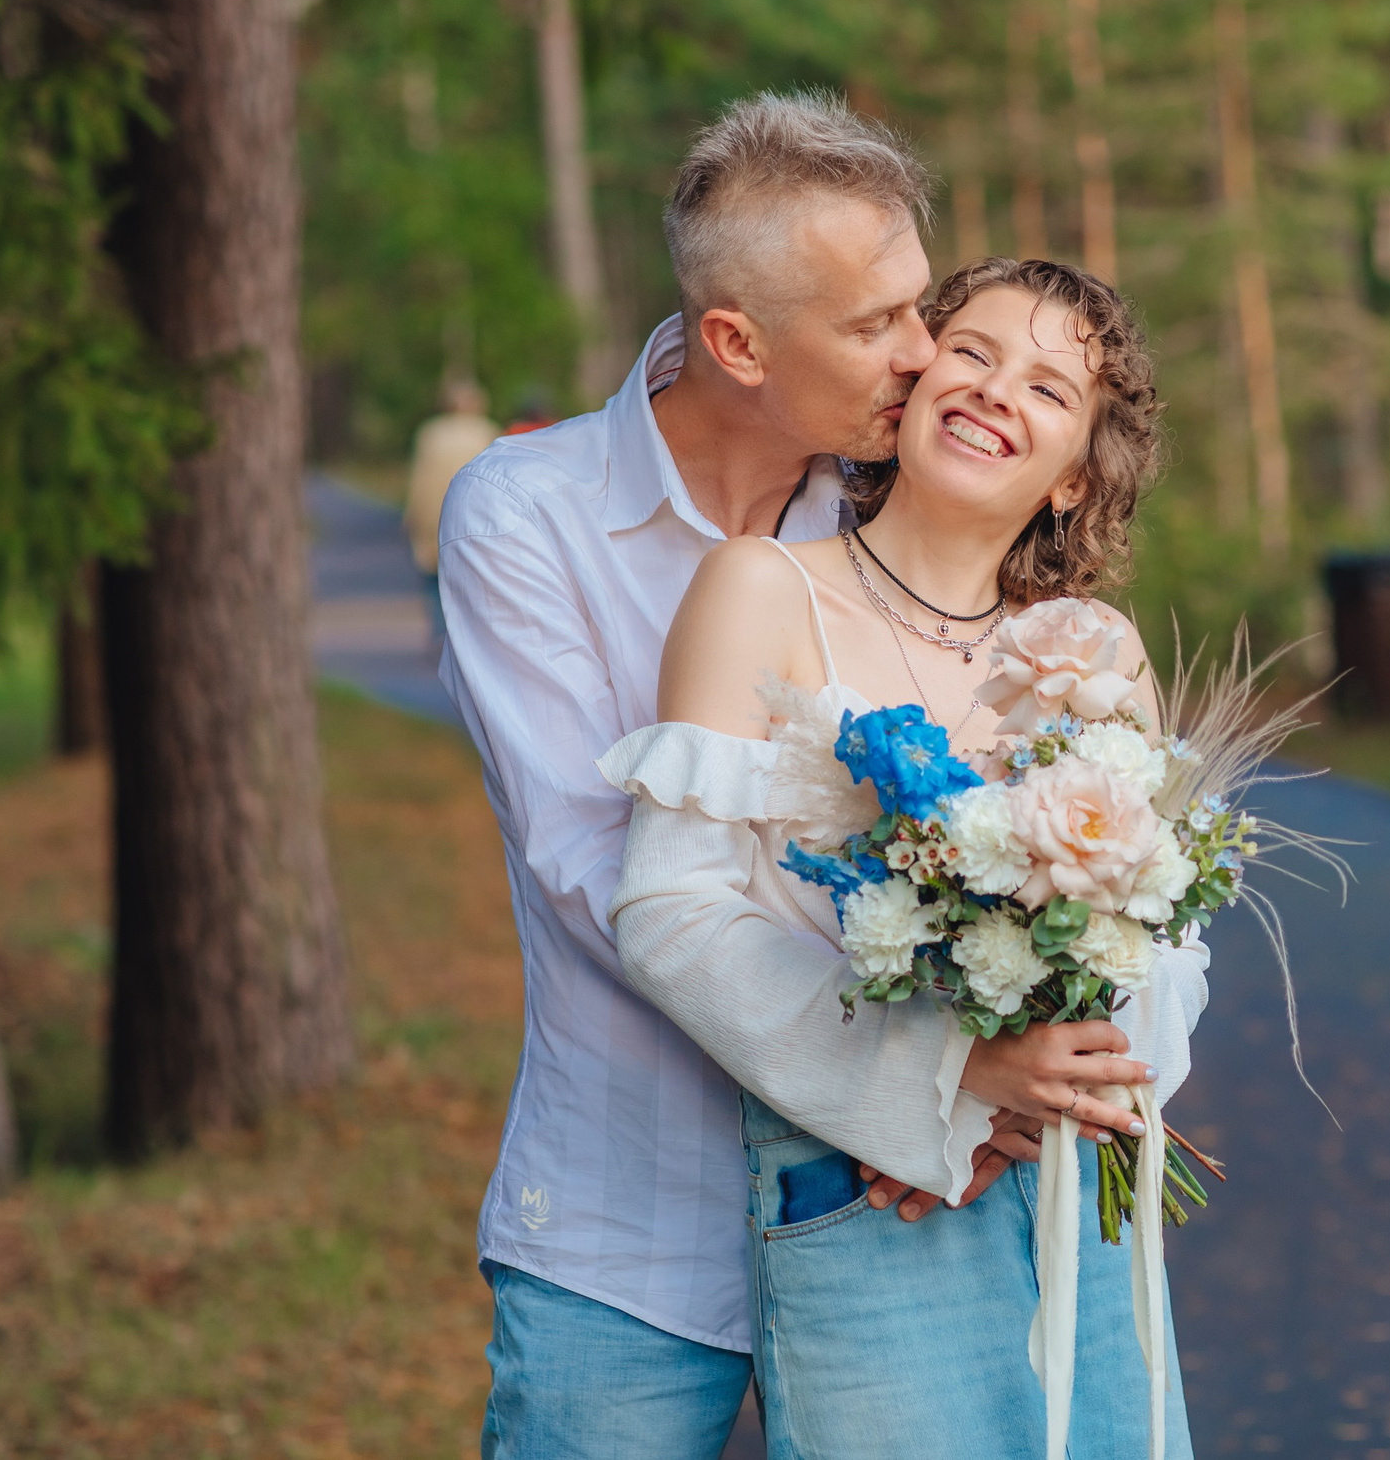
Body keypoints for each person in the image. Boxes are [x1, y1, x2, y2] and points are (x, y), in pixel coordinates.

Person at [437, 94, 1158, 1459]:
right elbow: (602, 872)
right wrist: (941, 1070)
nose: (926, 349)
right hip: (639, 1225)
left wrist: (1010, 1071)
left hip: (901, 1224)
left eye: (919, 303)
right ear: (738, 344)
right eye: (878, 323)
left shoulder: (900, 508)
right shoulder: (527, 515)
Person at [597, 257, 1201, 1459]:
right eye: (970, 352)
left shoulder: (1095, 650)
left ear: (1078, 474)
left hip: (1076, 1184)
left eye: (1047, 387)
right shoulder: (760, 590)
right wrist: (941, 1085)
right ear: (914, 378)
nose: (992, 392)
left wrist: (1055, 1094)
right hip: (861, 1190)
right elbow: (671, 912)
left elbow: (1167, 935)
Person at [405, 381, 498, 644]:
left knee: (434, 575)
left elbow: (419, 478)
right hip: (475, 515)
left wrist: (411, 513)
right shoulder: (487, 431)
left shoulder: (431, 433)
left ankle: (439, 630)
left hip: (433, 512)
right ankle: (466, 632)